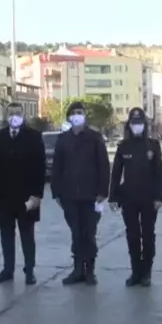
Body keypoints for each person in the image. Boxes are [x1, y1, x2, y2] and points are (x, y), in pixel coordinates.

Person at [51, 101, 110, 286]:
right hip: (69, 196)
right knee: (76, 234)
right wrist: (56, 193)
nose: (77, 115)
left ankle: (90, 271)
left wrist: (102, 191)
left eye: (80, 112)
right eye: (74, 112)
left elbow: (104, 166)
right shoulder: (63, 140)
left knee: (89, 234)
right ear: (69, 117)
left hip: (91, 196)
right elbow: (57, 168)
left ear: (85, 116)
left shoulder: (94, 138)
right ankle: (78, 270)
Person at [0, 103, 46, 284]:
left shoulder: (34, 136)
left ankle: (29, 271)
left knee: (27, 235)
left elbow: (40, 167)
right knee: (6, 235)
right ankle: (7, 270)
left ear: (23, 115)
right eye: (11, 113)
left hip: (27, 197)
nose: (14, 116)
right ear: (6, 115)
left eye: (17, 113)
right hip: (4, 197)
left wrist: (37, 195)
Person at [109, 108, 162, 287]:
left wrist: (159, 196)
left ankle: (146, 272)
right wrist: (113, 196)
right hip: (129, 199)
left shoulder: (153, 146)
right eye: (134, 123)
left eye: (140, 123)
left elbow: (159, 173)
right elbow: (116, 173)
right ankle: (135, 272)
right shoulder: (123, 147)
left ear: (145, 125)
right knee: (132, 236)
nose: (137, 126)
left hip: (149, 199)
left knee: (148, 236)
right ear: (129, 125)